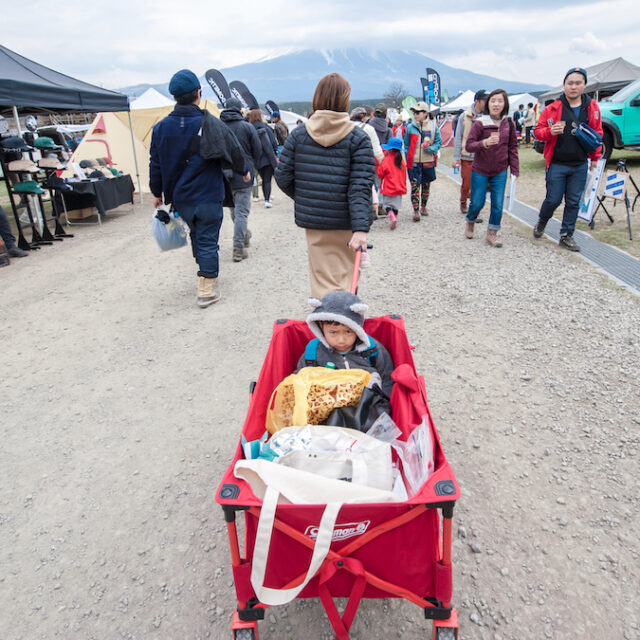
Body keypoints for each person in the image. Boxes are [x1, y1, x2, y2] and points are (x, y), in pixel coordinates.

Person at [150, 69, 248, 308]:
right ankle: (206, 288)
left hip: (181, 198)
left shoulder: (161, 128)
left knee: (197, 236)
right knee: (207, 240)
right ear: (198, 93)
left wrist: (156, 192)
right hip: (208, 194)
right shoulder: (210, 122)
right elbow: (235, 150)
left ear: (175, 96)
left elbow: (155, 162)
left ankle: (204, 271)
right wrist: (244, 171)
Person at [275, 72, 375, 297]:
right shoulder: (357, 138)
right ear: (345, 101)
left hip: (315, 223)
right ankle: (344, 329)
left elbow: (282, 177)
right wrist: (361, 228)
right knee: (347, 283)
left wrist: (309, 197)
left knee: (321, 283)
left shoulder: (299, 135)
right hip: (348, 223)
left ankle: (323, 328)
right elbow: (360, 187)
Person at [533, 67, 603, 251]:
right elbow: (538, 132)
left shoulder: (592, 108)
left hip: (580, 163)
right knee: (553, 199)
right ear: (564, 85)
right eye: (570, 83)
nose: (573, 87)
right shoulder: (552, 108)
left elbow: (597, 134)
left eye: (578, 83)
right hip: (557, 162)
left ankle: (566, 235)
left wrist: (595, 159)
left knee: (573, 201)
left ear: (584, 85)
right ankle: (542, 220)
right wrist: (550, 131)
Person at [297, 291, 394, 399]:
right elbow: (300, 379)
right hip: (328, 404)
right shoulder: (313, 352)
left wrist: (384, 403)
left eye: (348, 332)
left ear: (357, 328)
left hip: (367, 404)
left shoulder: (371, 349)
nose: (341, 340)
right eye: (333, 332)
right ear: (320, 326)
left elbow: (387, 378)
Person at [464, 88, 519, 247]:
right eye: (493, 101)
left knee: (498, 204)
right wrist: (484, 143)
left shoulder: (508, 123)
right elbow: (469, 146)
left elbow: (513, 147)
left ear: (505, 104)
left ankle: (492, 232)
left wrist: (515, 170)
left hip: (500, 169)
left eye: (500, 101)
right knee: (477, 202)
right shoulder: (480, 122)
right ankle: (470, 219)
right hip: (480, 169)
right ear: (488, 104)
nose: (496, 104)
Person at [220, 98, 262, 261]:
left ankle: (243, 235)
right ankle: (238, 247)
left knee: (234, 210)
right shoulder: (247, 127)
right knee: (242, 213)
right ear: (239, 110)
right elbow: (257, 150)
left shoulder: (218, 126)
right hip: (244, 174)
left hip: (224, 175)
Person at [453, 89, 488, 215]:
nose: (487, 102)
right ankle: (463, 201)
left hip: (482, 156)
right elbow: (458, 137)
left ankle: (474, 209)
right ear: (477, 101)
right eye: (485, 100)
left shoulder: (488, 117)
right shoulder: (465, 116)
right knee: (466, 183)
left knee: (478, 185)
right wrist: (456, 157)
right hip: (467, 155)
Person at [404, 102, 442, 221]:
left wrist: (430, 149)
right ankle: (416, 210)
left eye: (418, 112)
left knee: (426, 186)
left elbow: (438, 143)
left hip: (427, 161)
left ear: (425, 113)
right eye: (414, 112)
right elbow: (406, 145)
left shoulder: (433, 127)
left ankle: (423, 206)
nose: (415, 115)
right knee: (415, 186)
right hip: (414, 162)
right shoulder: (410, 127)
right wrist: (407, 157)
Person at [249, 108, 278, 207]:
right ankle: (267, 199)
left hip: (256, 159)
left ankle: (257, 196)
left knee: (258, 179)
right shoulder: (266, 127)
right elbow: (274, 143)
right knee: (267, 180)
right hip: (268, 158)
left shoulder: (249, 128)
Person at [376, 137, 407, 230]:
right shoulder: (401, 161)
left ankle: (392, 217)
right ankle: (395, 219)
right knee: (396, 206)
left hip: (388, 186)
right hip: (399, 187)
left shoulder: (387, 159)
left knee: (387, 206)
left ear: (389, 148)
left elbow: (380, 172)